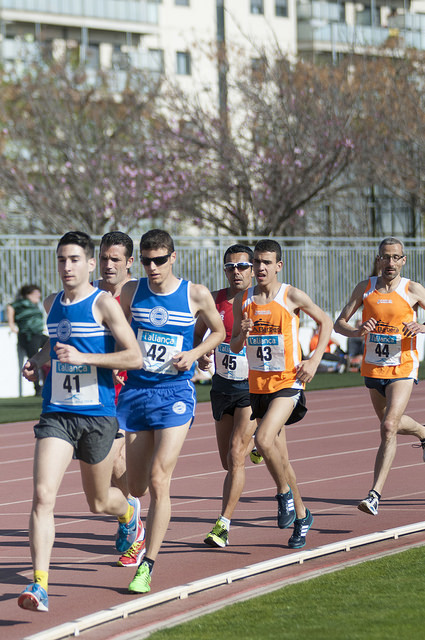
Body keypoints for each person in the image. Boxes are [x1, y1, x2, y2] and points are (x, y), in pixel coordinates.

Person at [17, 231, 143, 613]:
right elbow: (52, 343)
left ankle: (129, 515)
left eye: (74, 260)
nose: (67, 267)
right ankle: (40, 584)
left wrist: (85, 359)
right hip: (57, 413)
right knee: (43, 496)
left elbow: (134, 356)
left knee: (99, 501)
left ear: (90, 263)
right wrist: (38, 359)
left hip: (97, 416)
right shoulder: (52, 303)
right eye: (62, 260)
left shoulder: (104, 304)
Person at [117, 229, 225, 593]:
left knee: (160, 479)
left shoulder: (195, 294)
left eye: (159, 260)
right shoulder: (132, 292)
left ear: (173, 258)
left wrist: (194, 354)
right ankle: (132, 517)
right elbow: (116, 328)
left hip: (174, 394)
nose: (153, 267)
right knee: (136, 486)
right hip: (136, 392)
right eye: (147, 261)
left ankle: (146, 565)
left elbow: (218, 331)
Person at [230, 239, 333, 549]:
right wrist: (243, 332)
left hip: (288, 383)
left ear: (278, 266)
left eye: (266, 262)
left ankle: (284, 494)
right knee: (282, 459)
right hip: (257, 386)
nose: (260, 267)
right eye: (256, 262)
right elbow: (234, 345)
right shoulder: (243, 300)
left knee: (262, 440)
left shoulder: (291, 296)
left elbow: (326, 321)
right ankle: (302, 515)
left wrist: (314, 360)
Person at [334, 236, 425, 516]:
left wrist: (420, 326)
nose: (390, 262)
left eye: (396, 257)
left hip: (402, 366)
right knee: (390, 424)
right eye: (385, 257)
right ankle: (423, 432)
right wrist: (358, 331)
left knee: (388, 427)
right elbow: (339, 323)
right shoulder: (365, 287)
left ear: (403, 260)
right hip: (373, 367)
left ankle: (374, 495)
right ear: (378, 259)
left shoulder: (412, 289)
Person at [196, 244, 258, 549]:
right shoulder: (215, 300)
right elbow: (197, 333)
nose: (236, 272)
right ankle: (261, 440)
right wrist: (200, 354)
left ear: (253, 269)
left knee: (236, 455)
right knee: (227, 461)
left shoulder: (262, 300)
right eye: (230, 267)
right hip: (222, 385)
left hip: (252, 387)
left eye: (242, 266)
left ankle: (223, 525)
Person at [93, 231, 145, 569]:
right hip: (96, 388)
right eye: (104, 258)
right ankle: (130, 512)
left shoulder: (141, 292)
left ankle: (133, 519)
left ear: (129, 262)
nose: (108, 265)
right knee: (107, 468)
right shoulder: (89, 292)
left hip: (135, 387)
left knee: (116, 462)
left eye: (116, 259)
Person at [7, 284, 49, 395]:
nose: (38, 295)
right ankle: (37, 389)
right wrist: (11, 325)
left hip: (39, 334)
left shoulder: (35, 305)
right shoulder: (20, 304)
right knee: (34, 361)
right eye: (35, 293)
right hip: (29, 336)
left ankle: (47, 384)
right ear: (27, 295)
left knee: (53, 348)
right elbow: (10, 307)